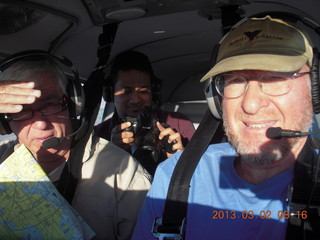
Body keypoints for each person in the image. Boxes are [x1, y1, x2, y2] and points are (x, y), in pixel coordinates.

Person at [132, 15, 320, 239]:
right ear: (216, 100)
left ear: (314, 90)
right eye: (236, 80)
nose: (250, 104)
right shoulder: (175, 176)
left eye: (275, 78)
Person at [0, 50, 151, 240]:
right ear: (6, 121)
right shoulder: (2, 162)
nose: (40, 123)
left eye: (50, 105)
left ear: (73, 104)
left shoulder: (126, 175)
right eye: (21, 110)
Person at [94, 50, 195, 176]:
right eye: (126, 91)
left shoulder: (180, 125)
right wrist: (110, 155)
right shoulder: (97, 136)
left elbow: (202, 183)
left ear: (154, 92)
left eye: (143, 91)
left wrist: (182, 160)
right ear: (110, 93)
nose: (135, 100)